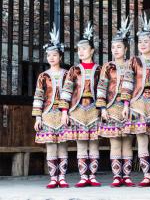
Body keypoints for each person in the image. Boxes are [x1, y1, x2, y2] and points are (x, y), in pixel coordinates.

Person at [121, 13, 150, 187]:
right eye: (140, 42)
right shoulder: (133, 61)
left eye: (146, 41)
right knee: (141, 140)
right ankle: (146, 175)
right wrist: (125, 104)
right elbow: (128, 82)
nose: (143, 45)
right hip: (137, 103)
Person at [60, 22, 102, 187]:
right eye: (79, 49)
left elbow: (104, 90)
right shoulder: (73, 70)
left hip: (94, 109)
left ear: (92, 50)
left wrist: (102, 108)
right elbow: (66, 91)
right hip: (77, 109)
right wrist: (64, 111)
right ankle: (84, 177)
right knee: (81, 144)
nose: (81, 51)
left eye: (85, 48)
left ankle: (92, 176)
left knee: (94, 144)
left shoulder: (100, 69)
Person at [96, 17, 135, 187]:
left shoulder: (131, 64)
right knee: (115, 143)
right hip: (111, 108)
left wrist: (130, 105)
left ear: (126, 49)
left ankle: (126, 176)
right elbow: (101, 87)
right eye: (113, 47)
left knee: (127, 143)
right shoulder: (107, 66)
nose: (115, 49)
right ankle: (116, 176)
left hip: (128, 108)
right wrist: (102, 107)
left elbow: (135, 87)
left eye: (119, 47)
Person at [32, 25, 68, 188]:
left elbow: (72, 97)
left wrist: (67, 113)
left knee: (63, 146)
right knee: (51, 146)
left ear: (60, 56)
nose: (51, 58)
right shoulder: (43, 76)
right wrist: (38, 117)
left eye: (55, 55)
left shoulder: (68, 74)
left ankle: (62, 178)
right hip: (47, 114)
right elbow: (39, 97)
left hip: (63, 115)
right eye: (49, 55)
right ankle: (53, 178)